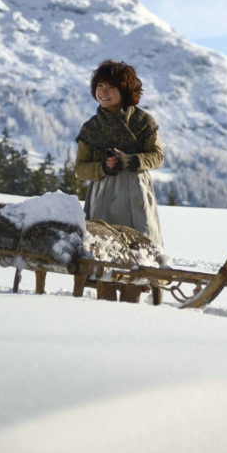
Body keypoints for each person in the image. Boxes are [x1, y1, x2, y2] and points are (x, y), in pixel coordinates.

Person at [74, 60, 164, 303]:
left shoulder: (144, 122)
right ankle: (106, 305)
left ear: (125, 91)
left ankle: (131, 305)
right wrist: (103, 167)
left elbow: (157, 156)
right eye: (99, 86)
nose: (103, 92)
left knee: (138, 250)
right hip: (103, 195)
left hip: (136, 195)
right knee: (104, 251)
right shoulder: (91, 128)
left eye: (111, 87)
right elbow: (80, 169)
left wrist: (131, 161)